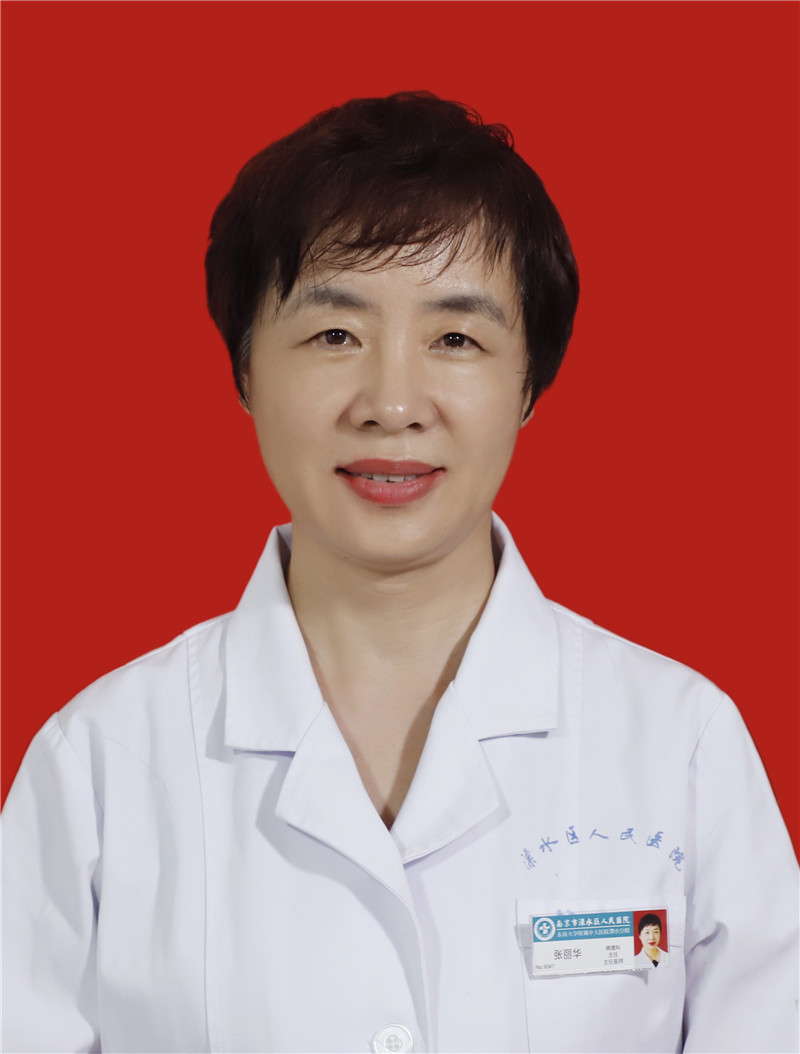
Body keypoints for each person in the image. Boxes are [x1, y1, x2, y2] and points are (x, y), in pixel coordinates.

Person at [2, 92, 797, 1054]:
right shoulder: (100, 767)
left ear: (529, 382)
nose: (391, 402)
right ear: (245, 371)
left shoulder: (681, 747)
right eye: (334, 335)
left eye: (455, 339)